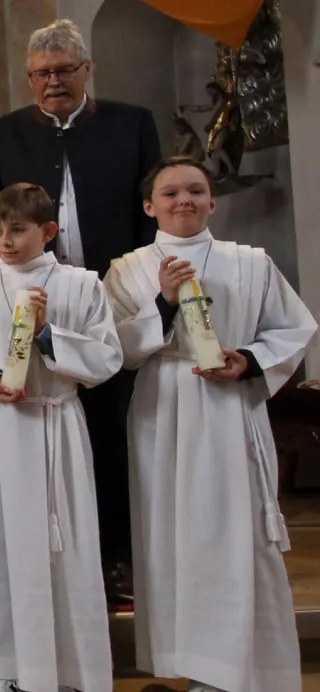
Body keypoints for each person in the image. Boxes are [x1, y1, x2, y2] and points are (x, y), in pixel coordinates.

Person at [105, 156, 317, 692]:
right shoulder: (128, 268)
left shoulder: (250, 261)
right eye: (171, 193)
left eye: (195, 191)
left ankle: (237, 668)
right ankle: (188, 665)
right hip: (164, 404)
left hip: (227, 408)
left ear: (212, 201)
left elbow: (293, 328)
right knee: (169, 533)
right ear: (149, 205)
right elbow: (115, 349)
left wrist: (246, 359)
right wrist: (163, 302)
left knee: (233, 532)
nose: (184, 201)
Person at [0, 18, 162, 598]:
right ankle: (42, 557)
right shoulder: (4, 134)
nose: (52, 81)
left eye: (63, 70)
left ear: (87, 71)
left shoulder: (130, 124)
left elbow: (146, 211)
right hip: (32, 291)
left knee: (110, 421)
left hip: (108, 289)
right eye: (41, 74)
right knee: (38, 418)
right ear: (30, 80)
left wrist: (137, 283)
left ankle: (113, 556)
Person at [0, 183, 123, 692]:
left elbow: (107, 357)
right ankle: (6, 667)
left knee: (67, 548)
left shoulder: (81, 284)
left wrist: (46, 334)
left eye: (17, 230)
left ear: (49, 231)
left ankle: (71, 668)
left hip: (54, 423)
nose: (5, 241)